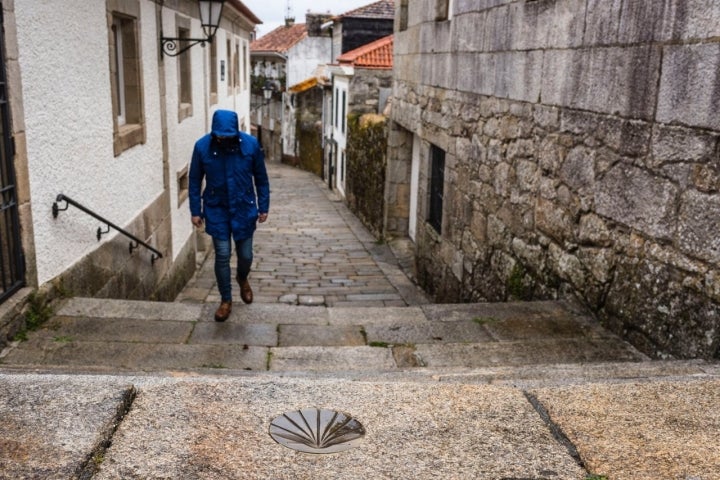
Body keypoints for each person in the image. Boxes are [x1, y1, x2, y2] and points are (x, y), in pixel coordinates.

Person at [189, 109, 270, 322]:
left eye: (228, 135)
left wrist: (263, 206)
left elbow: (261, 179)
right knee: (222, 254)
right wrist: (195, 210)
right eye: (220, 135)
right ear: (214, 132)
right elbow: (195, 180)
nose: (224, 139)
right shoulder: (202, 147)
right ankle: (226, 300)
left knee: (246, 255)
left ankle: (242, 278)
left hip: (243, 207)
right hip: (217, 208)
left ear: (235, 131)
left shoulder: (250, 145)